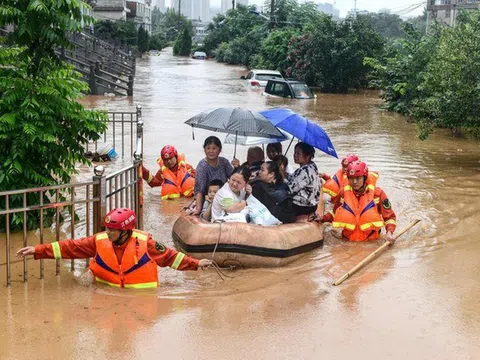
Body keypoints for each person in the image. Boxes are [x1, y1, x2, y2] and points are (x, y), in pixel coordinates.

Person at [16, 208, 212, 288]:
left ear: (126, 231)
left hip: (140, 299)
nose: (108, 233)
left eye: (113, 230)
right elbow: (71, 247)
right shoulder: (99, 241)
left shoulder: (146, 244)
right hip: (105, 289)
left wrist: (196, 264)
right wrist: (38, 250)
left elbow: (171, 258)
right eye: (107, 229)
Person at [321, 161, 397, 242]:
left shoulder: (378, 194)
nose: (354, 182)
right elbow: (335, 212)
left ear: (365, 178)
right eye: (351, 178)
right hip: (347, 241)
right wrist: (322, 218)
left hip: (371, 242)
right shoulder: (343, 193)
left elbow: (389, 217)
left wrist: (389, 232)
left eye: (358, 178)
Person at [190, 136, 234, 216]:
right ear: (204, 150)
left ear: (219, 150)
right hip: (208, 198)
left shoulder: (224, 162)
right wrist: (198, 209)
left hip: (223, 196)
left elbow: (234, 179)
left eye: (214, 148)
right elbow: (199, 189)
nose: (211, 151)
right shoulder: (202, 166)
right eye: (208, 148)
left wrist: (237, 167)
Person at [287, 142, 321, 220]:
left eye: (298, 153)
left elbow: (290, 189)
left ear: (307, 156)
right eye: (295, 152)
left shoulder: (304, 170)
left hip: (302, 206)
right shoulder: (312, 166)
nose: (295, 155)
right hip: (312, 204)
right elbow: (293, 177)